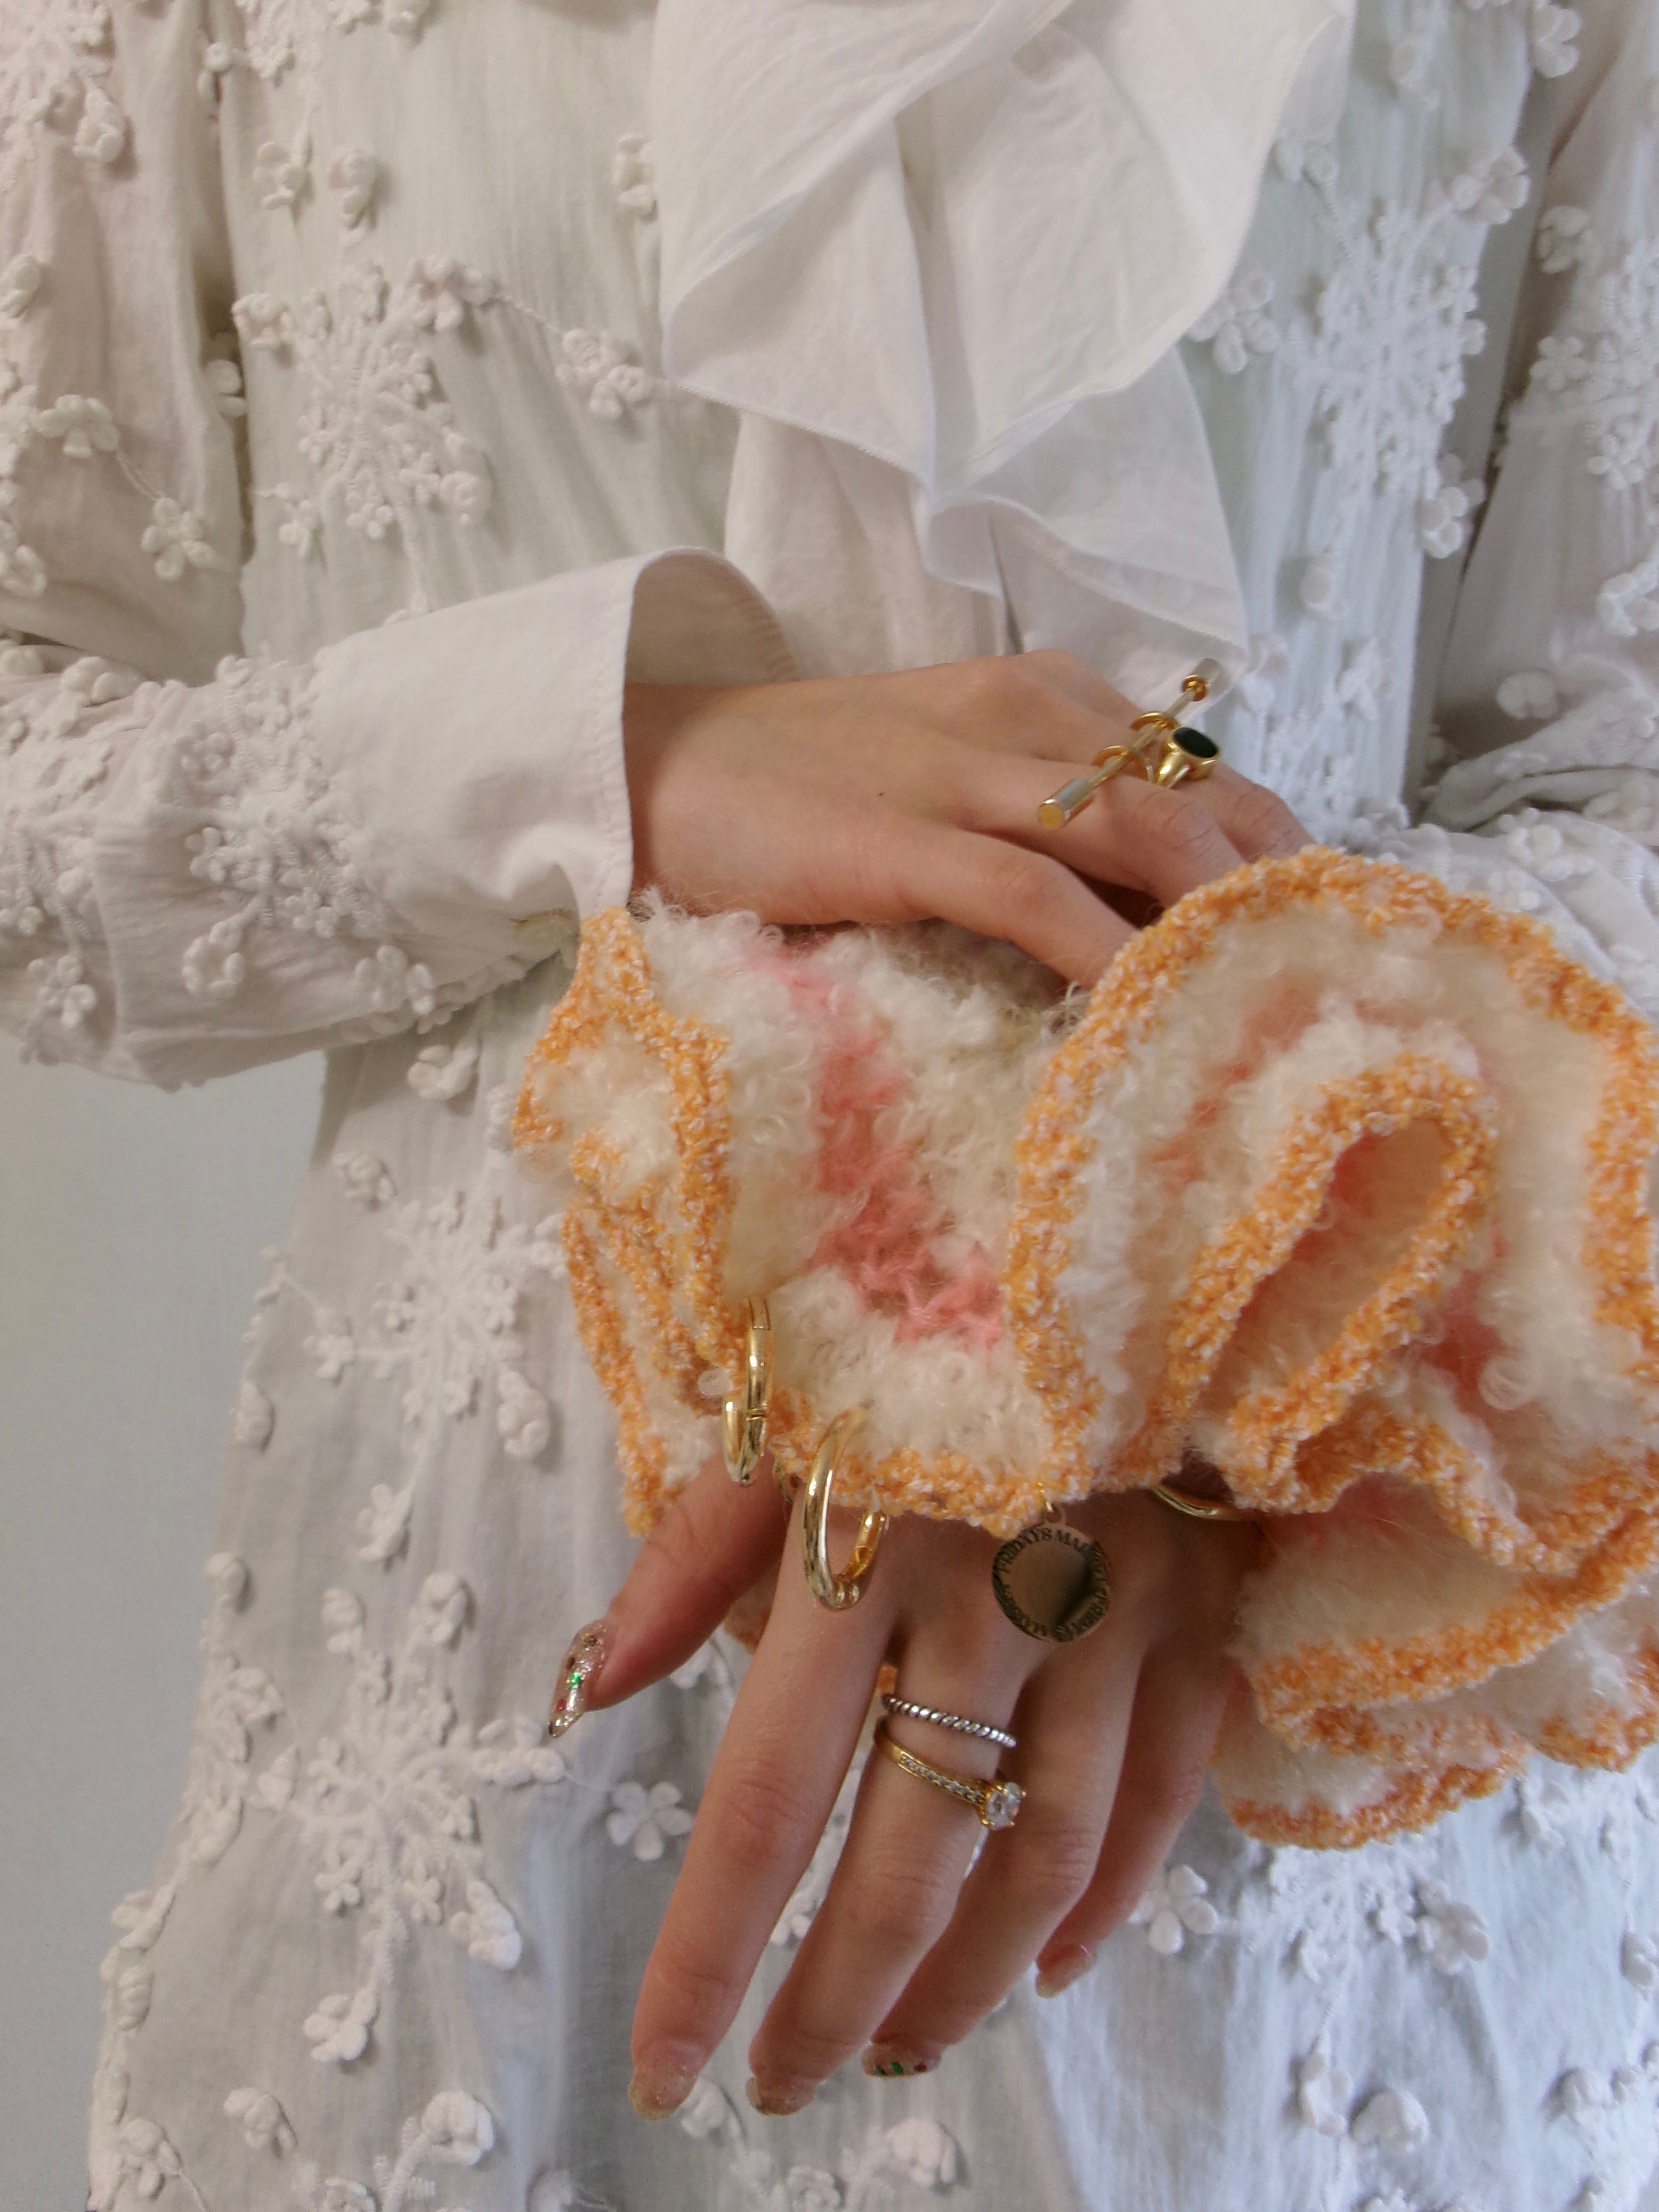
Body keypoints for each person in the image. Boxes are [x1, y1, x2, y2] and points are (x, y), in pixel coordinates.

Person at [4, 1, 1657, 2208]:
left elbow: (1614, 775)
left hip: (1243, 1746)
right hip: (497, 1677)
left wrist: (1200, 1342)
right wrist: (618, 748)